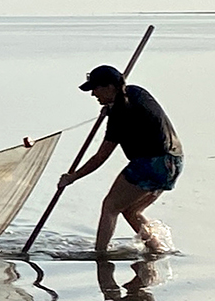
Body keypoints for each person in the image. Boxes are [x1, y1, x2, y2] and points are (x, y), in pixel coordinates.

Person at [58, 65, 182, 256]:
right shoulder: (136, 92)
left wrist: (72, 177)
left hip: (151, 164)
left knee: (110, 206)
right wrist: (109, 107)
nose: (93, 94)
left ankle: (100, 255)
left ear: (109, 87)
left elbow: (100, 157)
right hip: (174, 162)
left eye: (96, 89)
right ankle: (157, 250)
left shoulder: (119, 115)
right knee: (131, 211)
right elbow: (134, 110)